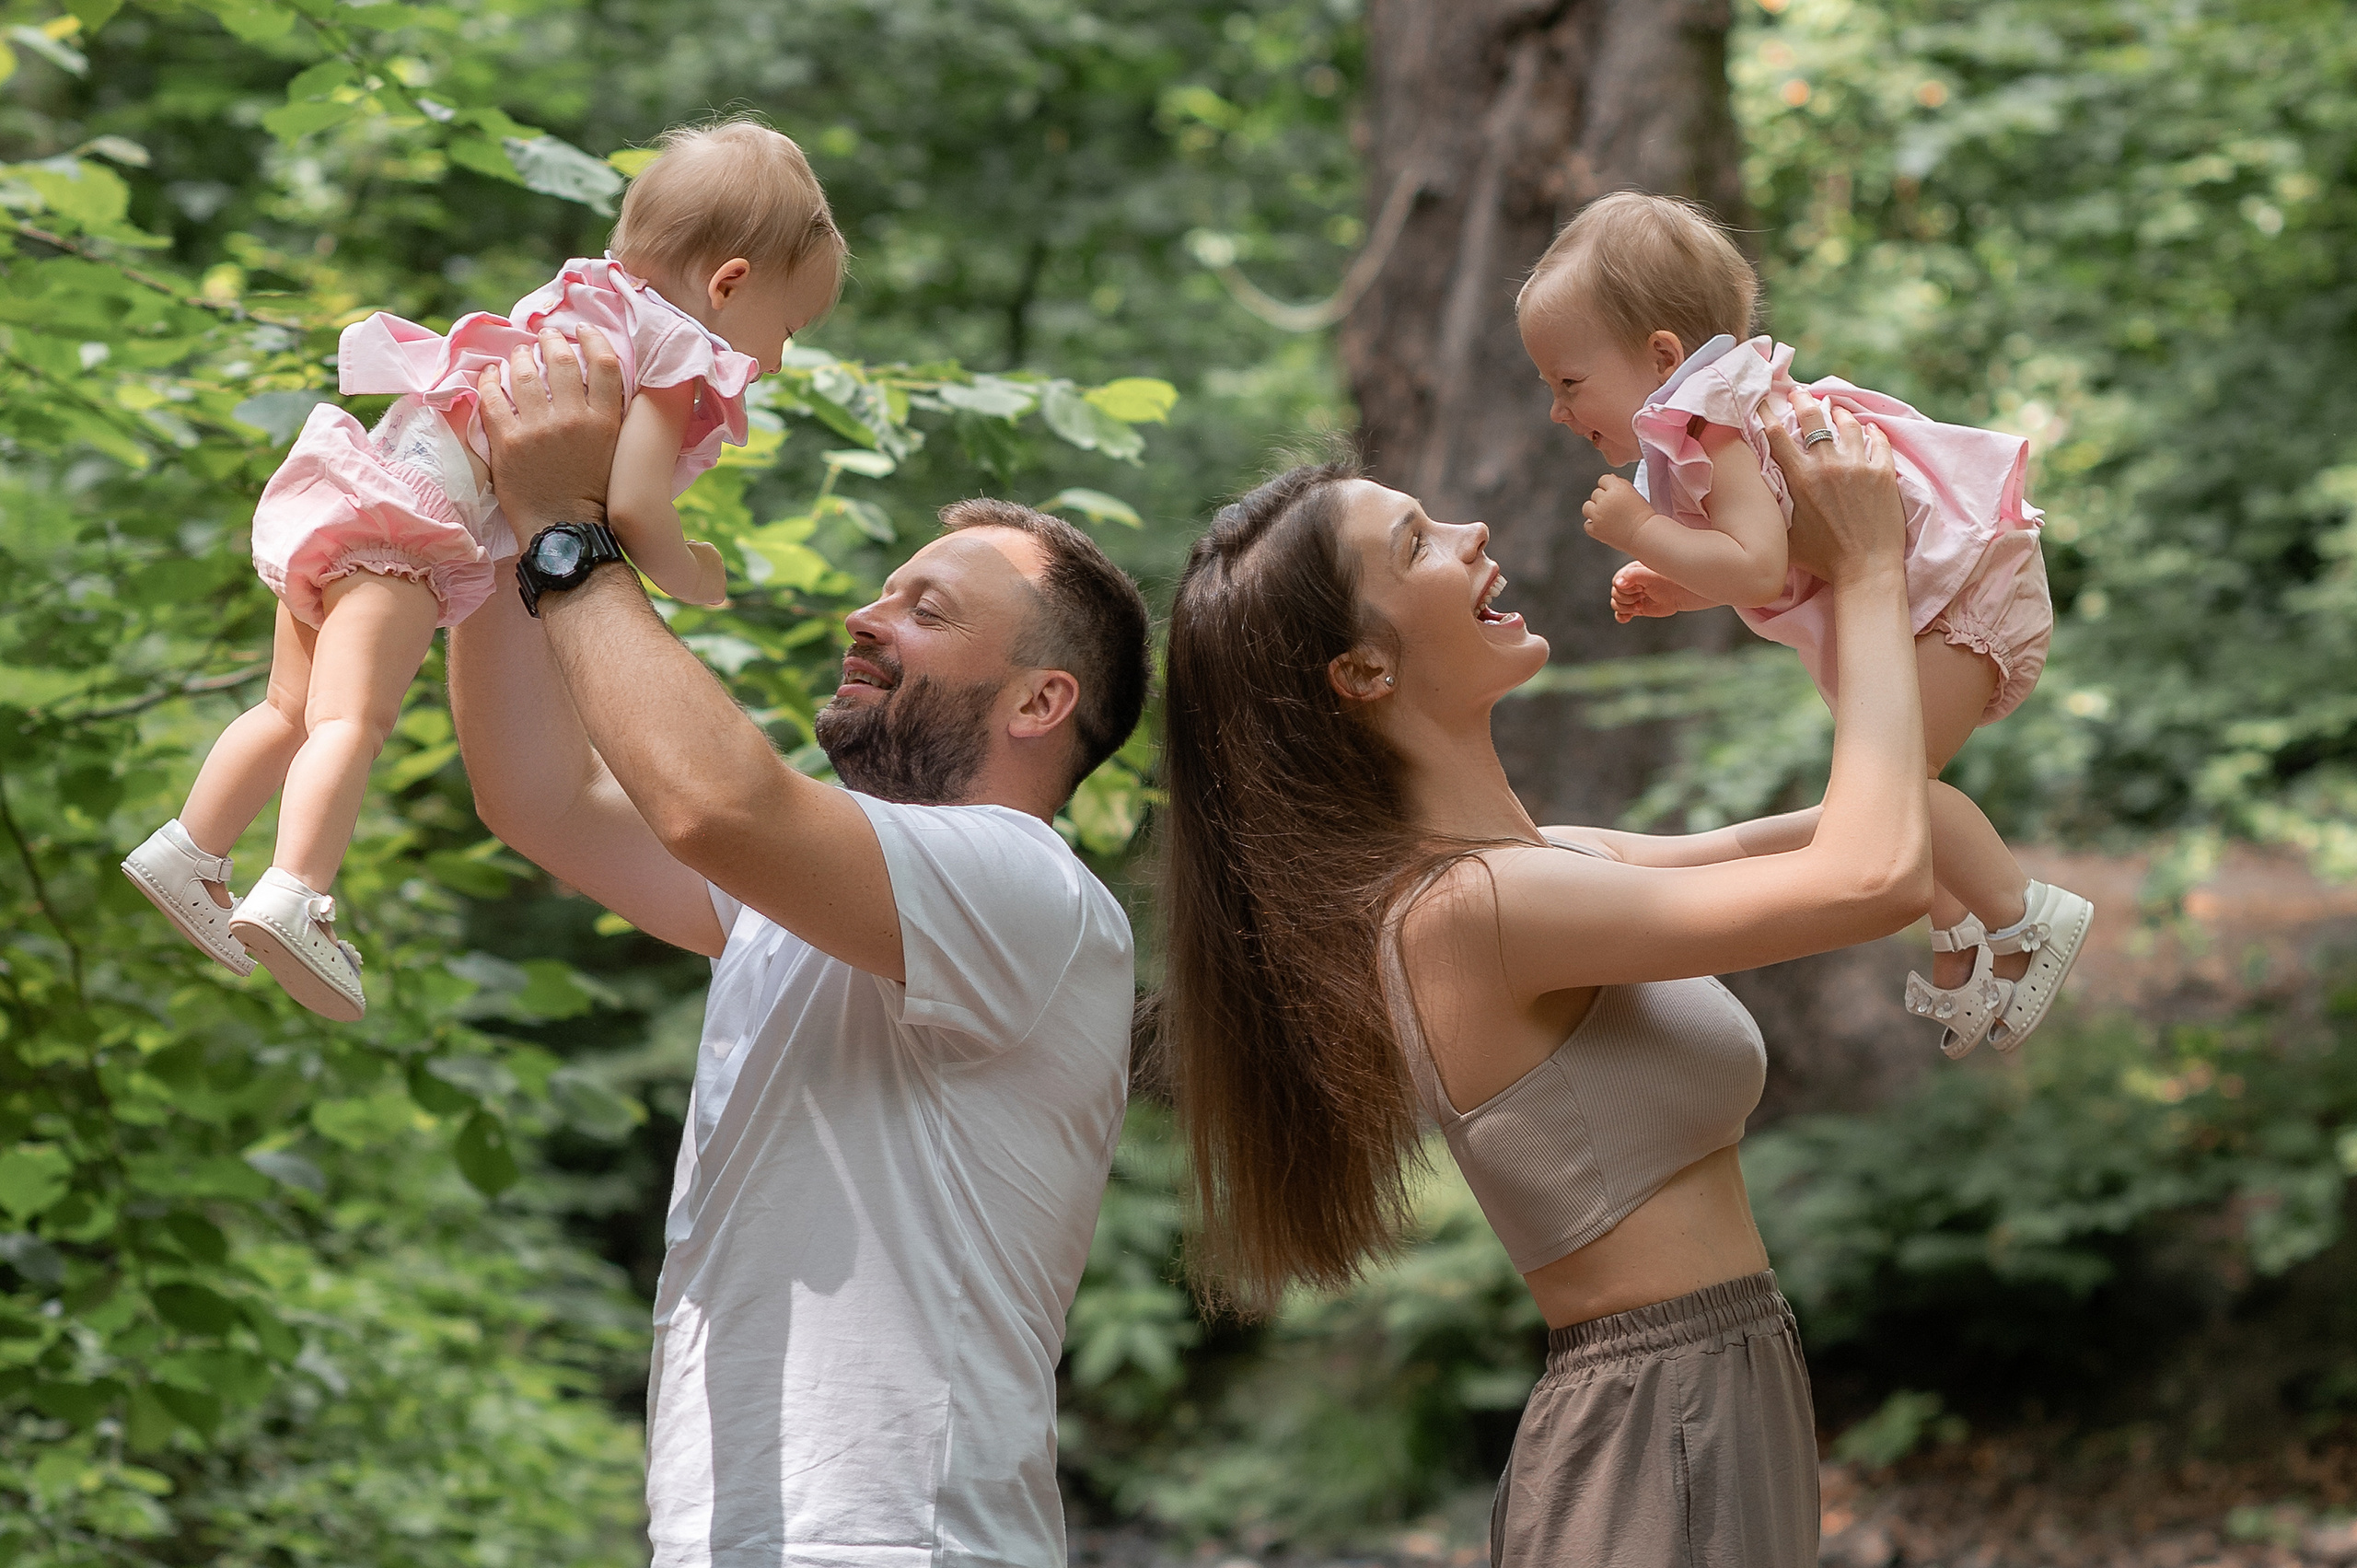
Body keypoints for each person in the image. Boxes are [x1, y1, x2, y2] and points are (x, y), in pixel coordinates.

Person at [1157, 401, 1929, 1565]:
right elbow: (1876, 875)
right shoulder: (1476, 912)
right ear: (1361, 669)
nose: (1470, 532)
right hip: (1651, 1428)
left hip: (1712, 1394)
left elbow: (1872, 819)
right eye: (1416, 543)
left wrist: (1795, 576)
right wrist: (1868, 571)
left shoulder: (1550, 864)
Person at [447, 327, 1151, 1567]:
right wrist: (499, 515)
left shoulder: (1027, 885)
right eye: (885, 589)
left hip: (899, 1538)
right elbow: (538, 795)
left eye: (924, 608)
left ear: (1042, 701)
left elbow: (715, 803)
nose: (866, 615)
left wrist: (571, 535)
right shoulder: (798, 901)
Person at [121, 119, 843, 1022]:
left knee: (287, 707)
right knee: (351, 719)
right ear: (728, 283)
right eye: (787, 326)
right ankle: (296, 889)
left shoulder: (584, 294)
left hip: (350, 491)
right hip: (409, 537)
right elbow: (633, 505)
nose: (777, 357)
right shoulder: (668, 349)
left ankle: (189, 846)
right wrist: (686, 569)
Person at [1520, 191, 2092, 1058]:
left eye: (1568, 382)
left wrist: (1645, 533)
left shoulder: (1720, 431)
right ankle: (1963, 943)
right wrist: (1680, 579)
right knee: (1874, 802)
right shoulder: (1706, 432)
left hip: (1957, 592)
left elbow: (1752, 565)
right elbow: (1771, 554)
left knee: (1894, 790)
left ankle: (2028, 916)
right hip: (1912, 604)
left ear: (1661, 355)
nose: (1559, 410)